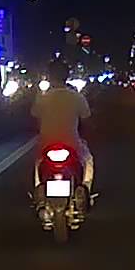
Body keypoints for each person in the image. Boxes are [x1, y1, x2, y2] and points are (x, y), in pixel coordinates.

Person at [31, 60, 95, 196]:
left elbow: (35, 119)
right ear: (67, 76)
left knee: (38, 162)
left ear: (49, 76)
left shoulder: (42, 98)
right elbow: (87, 120)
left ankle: (39, 192)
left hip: (46, 143)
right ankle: (85, 191)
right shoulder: (77, 97)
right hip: (72, 143)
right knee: (88, 160)